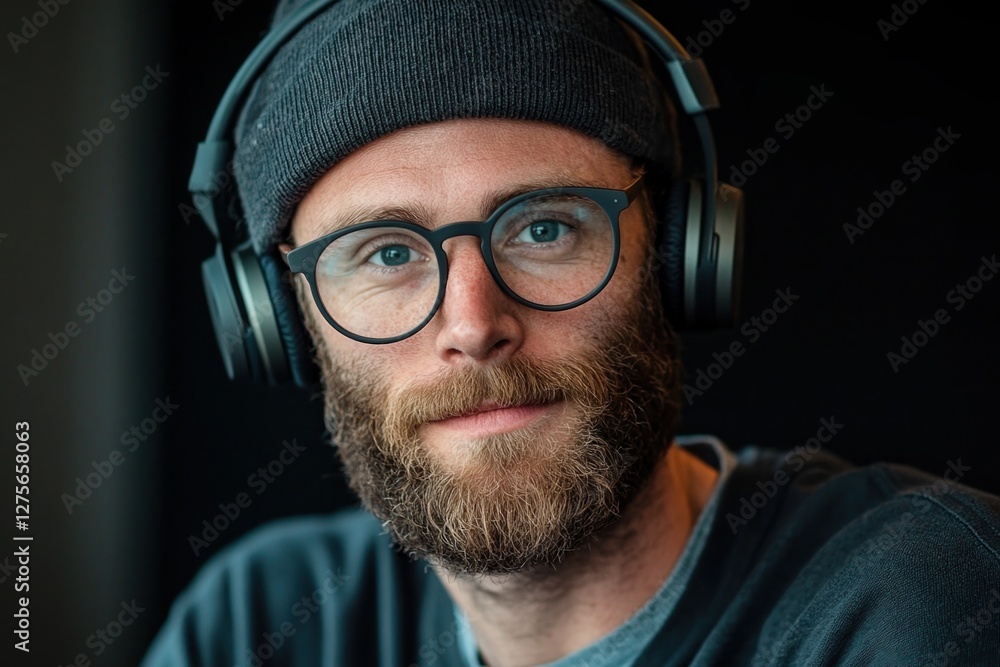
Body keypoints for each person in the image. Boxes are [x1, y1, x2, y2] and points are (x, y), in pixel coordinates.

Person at [142, 1, 1000, 665]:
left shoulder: (916, 599)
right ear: (278, 321)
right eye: (386, 252)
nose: (474, 324)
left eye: (544, 229)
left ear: (674, 255)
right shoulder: (262, 619)